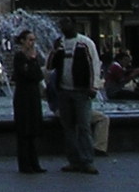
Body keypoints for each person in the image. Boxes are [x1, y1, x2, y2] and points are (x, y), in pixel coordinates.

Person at [48, 19, 101, 174]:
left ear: (74, 26)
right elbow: (50, 66)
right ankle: (74, 161)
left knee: (84, 126)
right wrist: (54, 50)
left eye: (67, 24)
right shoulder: (60, 44)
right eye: (62, 25)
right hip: (64, 91)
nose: (64, 27)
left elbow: (94, 64)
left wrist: (93, 86)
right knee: (68, 127)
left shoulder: (85, 43)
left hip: (81, 91)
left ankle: (87, 161)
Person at [10, 30, 46, 174]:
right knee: (24, 130)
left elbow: (38, 76)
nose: (32, 43)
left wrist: (33, 61)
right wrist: (31, 61)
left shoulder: (33, 57)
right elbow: (26, 74)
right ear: (23, 41)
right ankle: (25, 164)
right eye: (30, 40)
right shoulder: (19, 57)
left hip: (33, 95)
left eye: (33, 40)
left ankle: (34, 163)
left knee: (32, 130)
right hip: (23, 96)